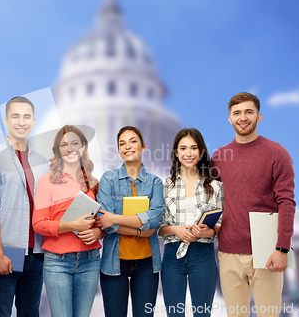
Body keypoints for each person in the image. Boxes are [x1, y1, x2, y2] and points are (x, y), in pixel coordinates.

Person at [211, 92, 295, 317]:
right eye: (237, 113)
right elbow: (208, 200)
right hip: (228, 253)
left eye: (249, 112)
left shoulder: (277, 153)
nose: (243, 117)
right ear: (230, 119)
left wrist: (282, 248)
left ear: (258, 117)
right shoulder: (219, 157)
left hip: (266, 251)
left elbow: (286, 201)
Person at [0, 96, 49, 317]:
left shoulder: (43, 161)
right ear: (6, 120)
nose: (21, 121)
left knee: (30, 313)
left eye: (26, 116)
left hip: (36, 254)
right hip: (6, 252)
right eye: (15, 116)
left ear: (34, 121)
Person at [33, 125, 103, 317]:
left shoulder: (94, 183)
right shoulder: (46, 181)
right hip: (58, 263)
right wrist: (72, 226)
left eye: (74, 143)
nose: (69, 149)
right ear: (57, 150)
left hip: (90, 260)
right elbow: (38, 224)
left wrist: (98, 232)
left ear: (83, 147)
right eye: (64, 145)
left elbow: (101, 222)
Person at [96, 126, 164, 317]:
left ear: (143, 146)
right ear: (118, 150)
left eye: (133, 141)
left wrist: (115, 218)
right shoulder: (108, 179)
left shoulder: (155, 182)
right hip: (113, 263)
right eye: (122, 143)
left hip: (146, 265)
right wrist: (141, 230)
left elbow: (154, 221)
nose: (127, 146)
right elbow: (106, 225)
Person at [158, 128, 223, 317]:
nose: (188, 153)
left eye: (193, 148)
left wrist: (208, 232)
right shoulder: (163, 186)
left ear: (201, 152)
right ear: (176, 153)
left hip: (203, 255)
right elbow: (157, 228)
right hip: (172, 256)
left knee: (202, 314)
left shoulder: (215, 187)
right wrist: (175, 230)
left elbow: (220, 224)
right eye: (183, 148)